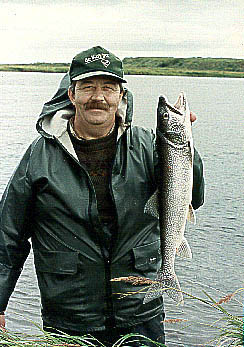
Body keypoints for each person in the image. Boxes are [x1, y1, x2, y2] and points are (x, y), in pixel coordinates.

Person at [0, 46, 204, 346]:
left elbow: (192, 197)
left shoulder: (150, 144)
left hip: (141, 311)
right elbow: (7, 235)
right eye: (88, 87)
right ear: (72, 94)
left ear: (121, 95)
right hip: (69, 315)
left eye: (108, 88)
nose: (98, 97)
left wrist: (187, 149)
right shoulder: (39, 156)